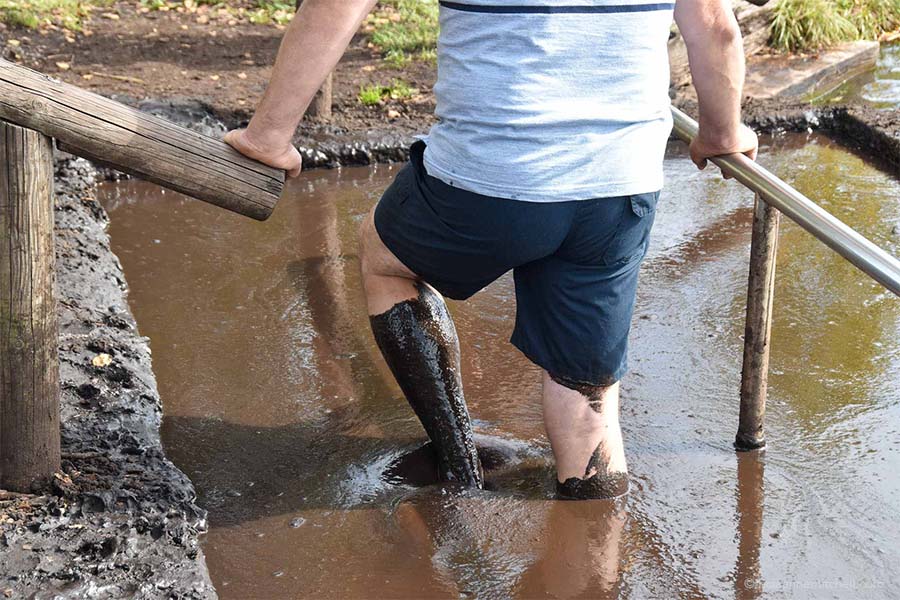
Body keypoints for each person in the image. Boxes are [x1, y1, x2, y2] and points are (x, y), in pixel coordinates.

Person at [225, 0, 758, 499]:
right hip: (618, 185)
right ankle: (593, 534)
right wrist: (722, 132)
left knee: (386, 259)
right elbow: (713, 26)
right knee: (587, 392)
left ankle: (457, 461)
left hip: (490, 172)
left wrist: (269, 135)